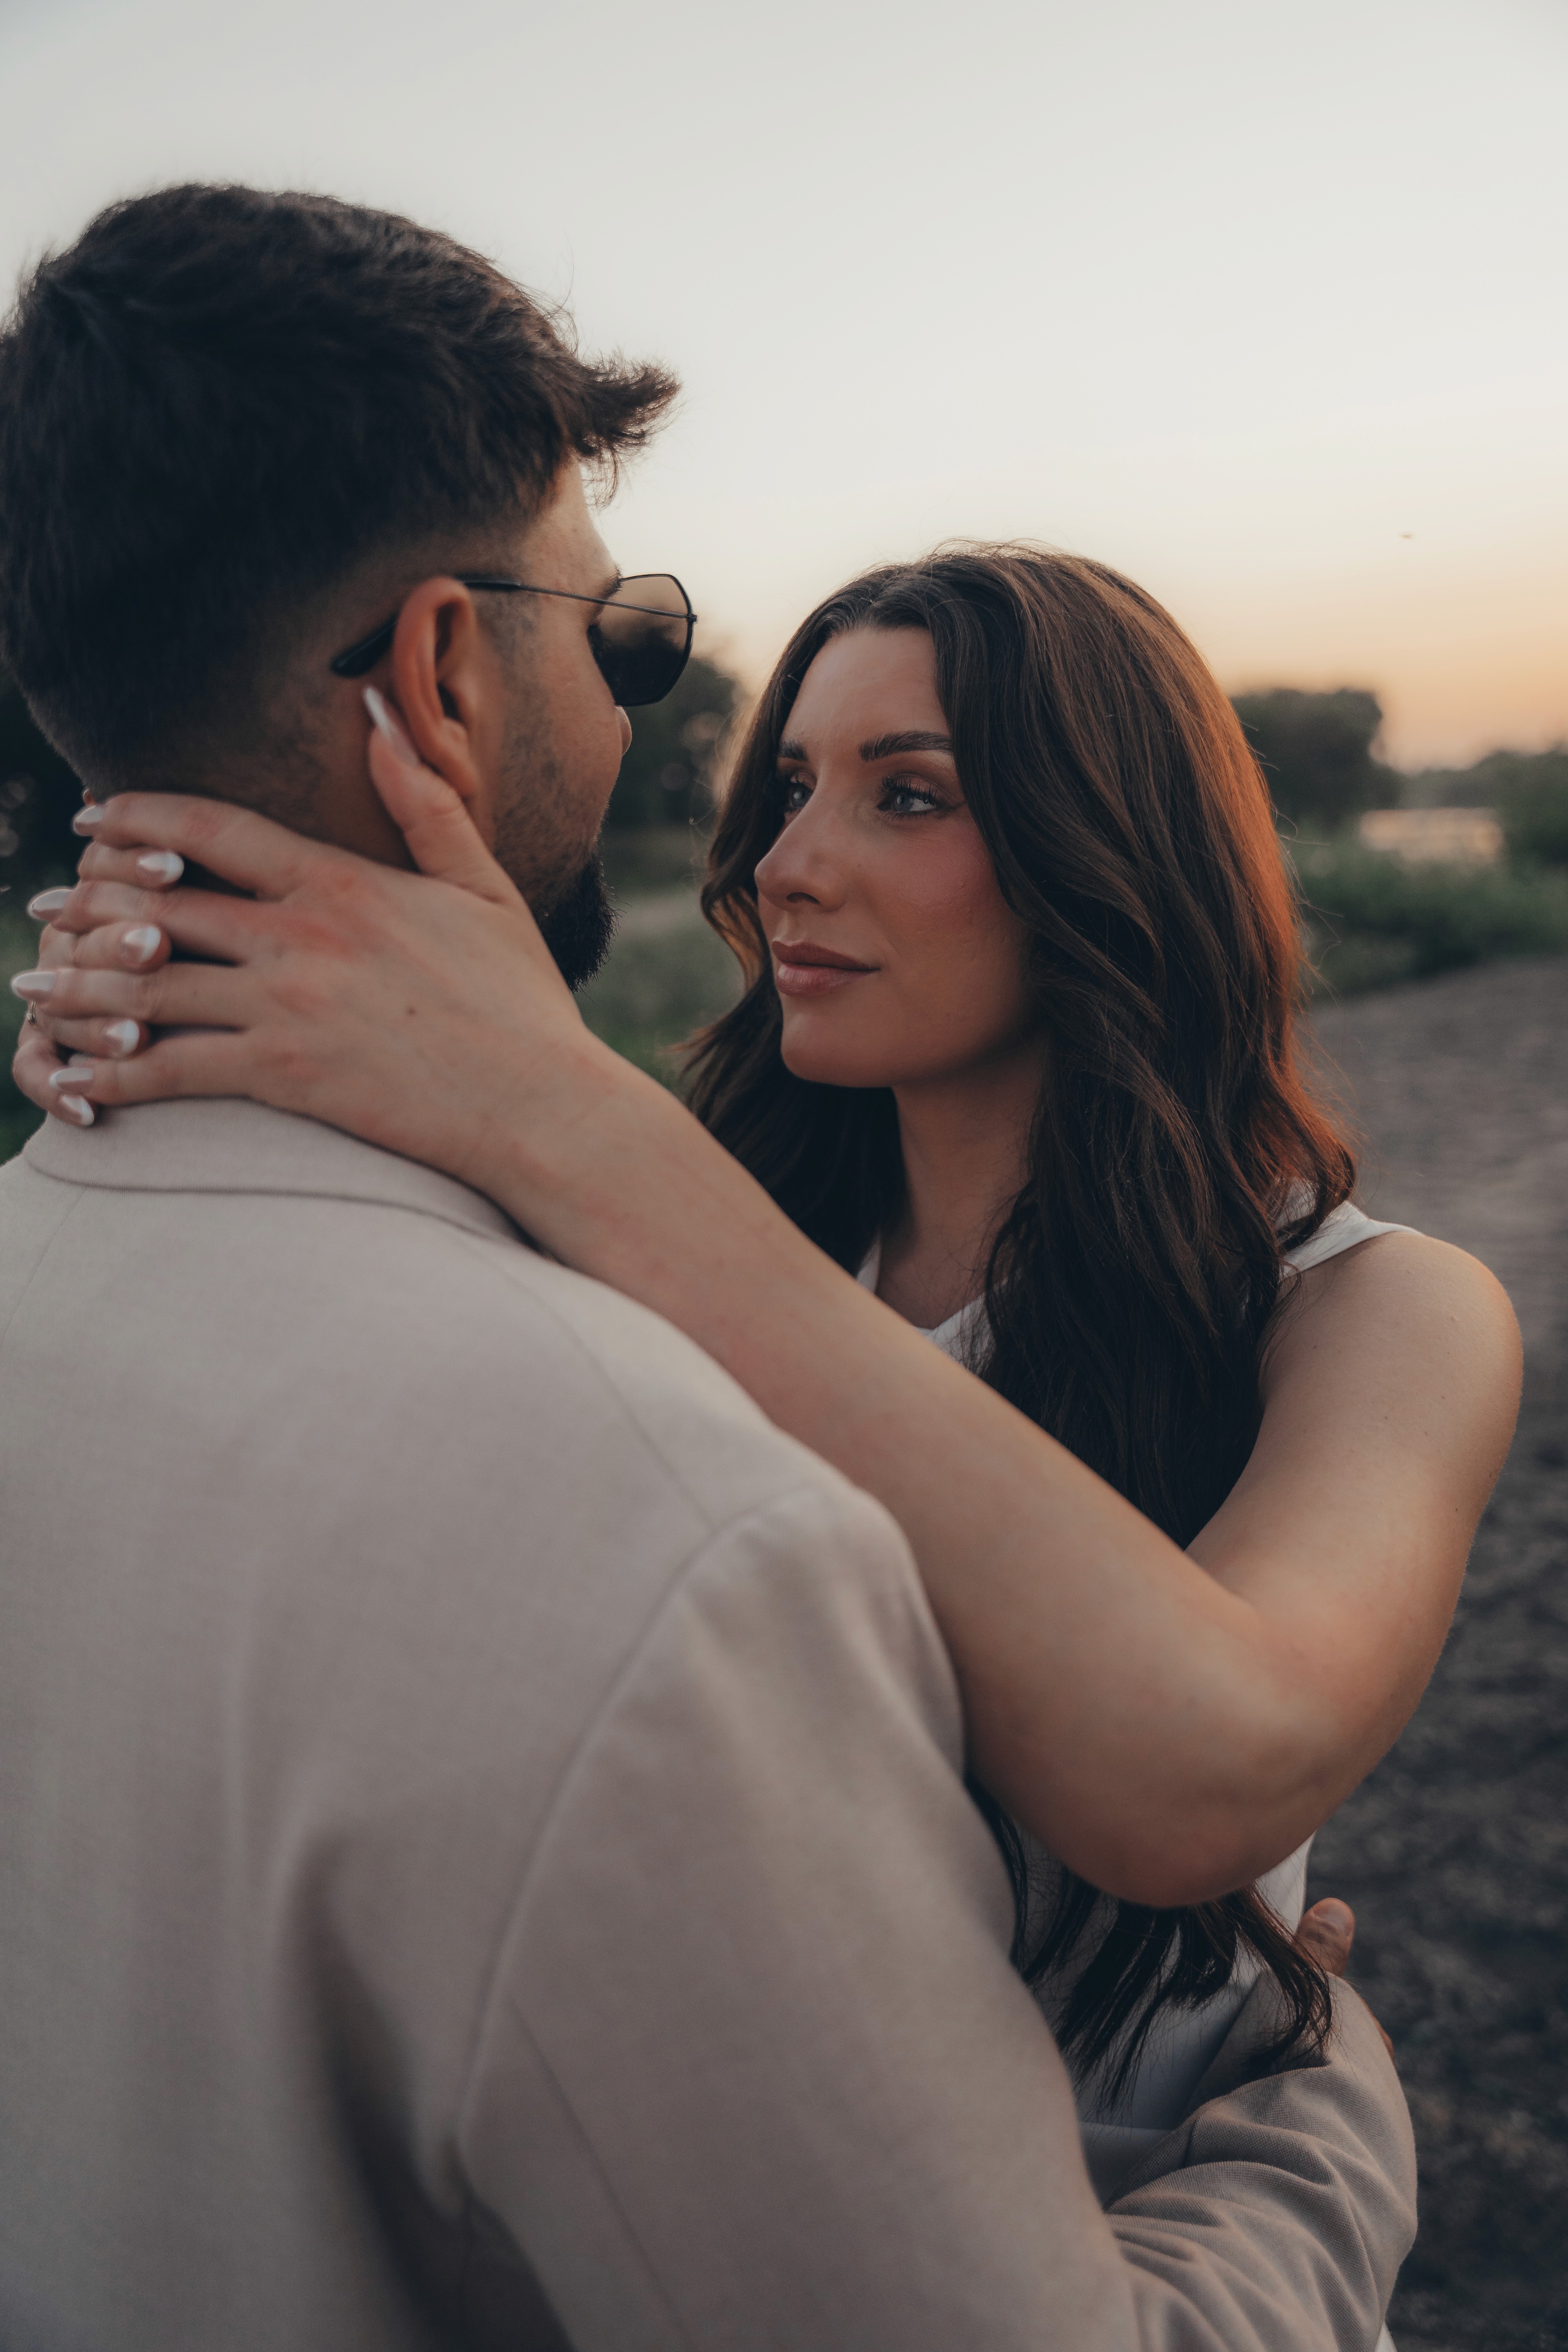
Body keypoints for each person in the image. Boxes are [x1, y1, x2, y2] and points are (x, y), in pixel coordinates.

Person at [0, 182, 1426, 2352]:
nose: (780, 860)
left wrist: (552, 1108)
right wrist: (1320, 2118)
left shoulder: (1376, 1311)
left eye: (909, 793)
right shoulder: (659, 1363)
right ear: (442, 674)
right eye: (778, 772)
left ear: (1108, 847)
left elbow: (1213, 1753)